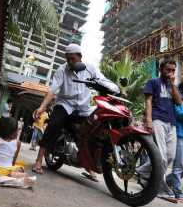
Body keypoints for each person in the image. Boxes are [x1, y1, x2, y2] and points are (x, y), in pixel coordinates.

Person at [32, 43, 120, 176]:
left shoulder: (90, 68)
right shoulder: (62, 70)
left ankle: (88, 164)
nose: (69, 62)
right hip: (65, 105)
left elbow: (102, 80)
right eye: (67, 59)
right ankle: (38, 160)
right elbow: (52, 90)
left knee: (94, 130)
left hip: (84, 108)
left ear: (80, 57)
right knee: (54, 124)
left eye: (72, 58)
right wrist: (42, 107)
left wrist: (116, 89)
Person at [138, 58, 183, 202]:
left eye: (173, 70)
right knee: (161, 157)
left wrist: (173, 84)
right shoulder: (153, 82)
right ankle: (160, 189)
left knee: (170, 156)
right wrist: (149, 120)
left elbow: (178, 102)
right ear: (161, 70)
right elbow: (148, 101)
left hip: (171, 122)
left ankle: (142, 171)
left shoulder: (172, 86)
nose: (170, 72)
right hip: (157, 119)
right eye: (167, 70)